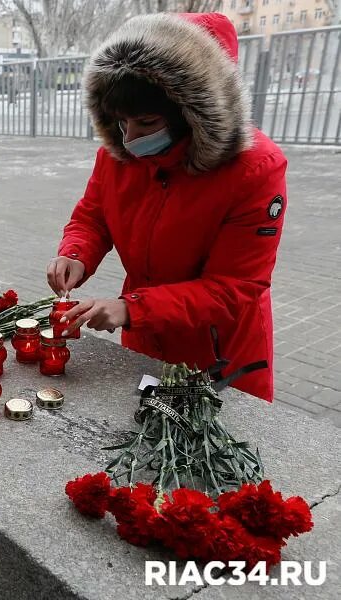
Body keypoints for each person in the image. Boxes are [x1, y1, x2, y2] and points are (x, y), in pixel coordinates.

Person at [46, 13, 287, 402]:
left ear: (192, 113)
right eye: (121, 122)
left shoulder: (254, 169)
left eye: (146, 122)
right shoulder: (118, 155)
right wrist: (75, 253)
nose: (130, 138)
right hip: (145, 333)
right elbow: (93, 216)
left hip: (217, 352)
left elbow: (234, 287)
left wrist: (130, 308)